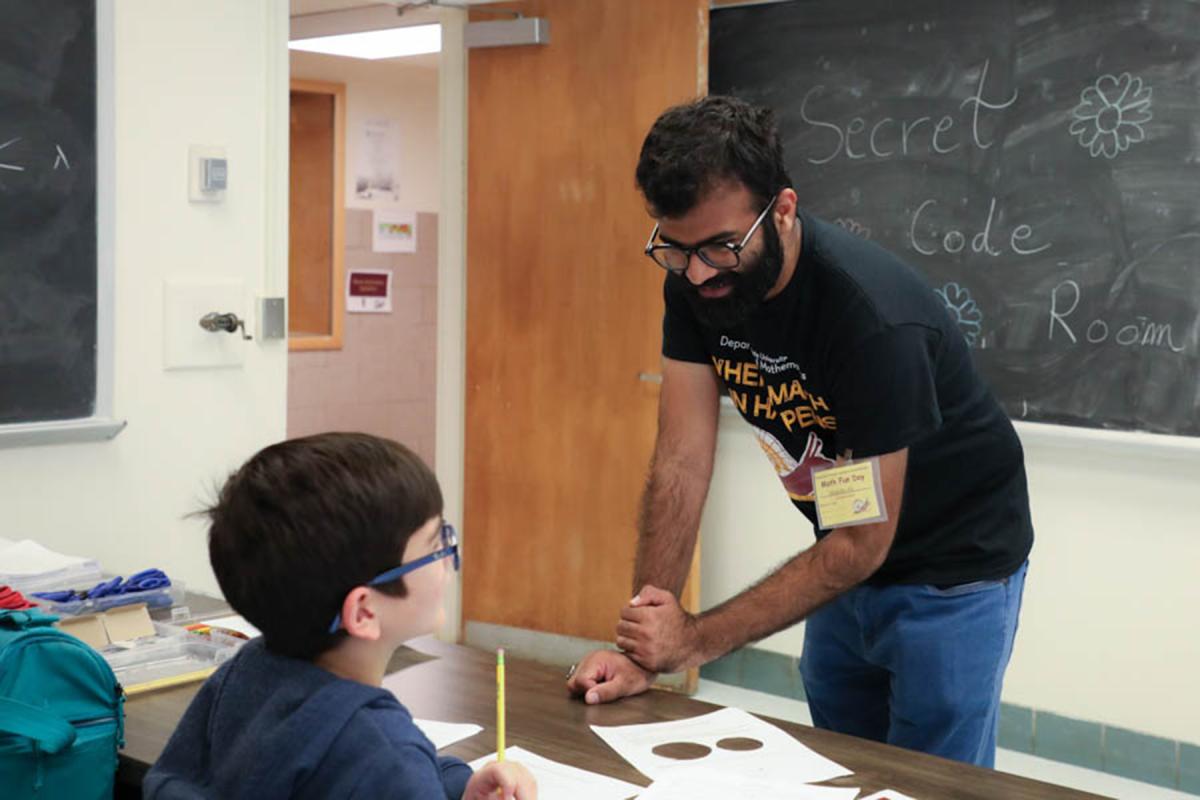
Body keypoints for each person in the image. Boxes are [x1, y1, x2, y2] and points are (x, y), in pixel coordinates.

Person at [567, 96, 1033, 768]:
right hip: (842, 555)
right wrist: (650, 642)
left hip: (953, 567)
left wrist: (693, 641)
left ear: (782, 209)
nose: (699, 273)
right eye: (677, 249)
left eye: (722, 247)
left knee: (932, 781)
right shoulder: (696, 285)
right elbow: (681, 462)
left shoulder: (873, 320)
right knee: (840, 767)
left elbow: (864, 541)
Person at [145, 433, 536, 799]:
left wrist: (451, 783)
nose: (448, 559)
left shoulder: (245, 672)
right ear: (364, 611)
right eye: (436, 546)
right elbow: (380, 769)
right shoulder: (386, 755)